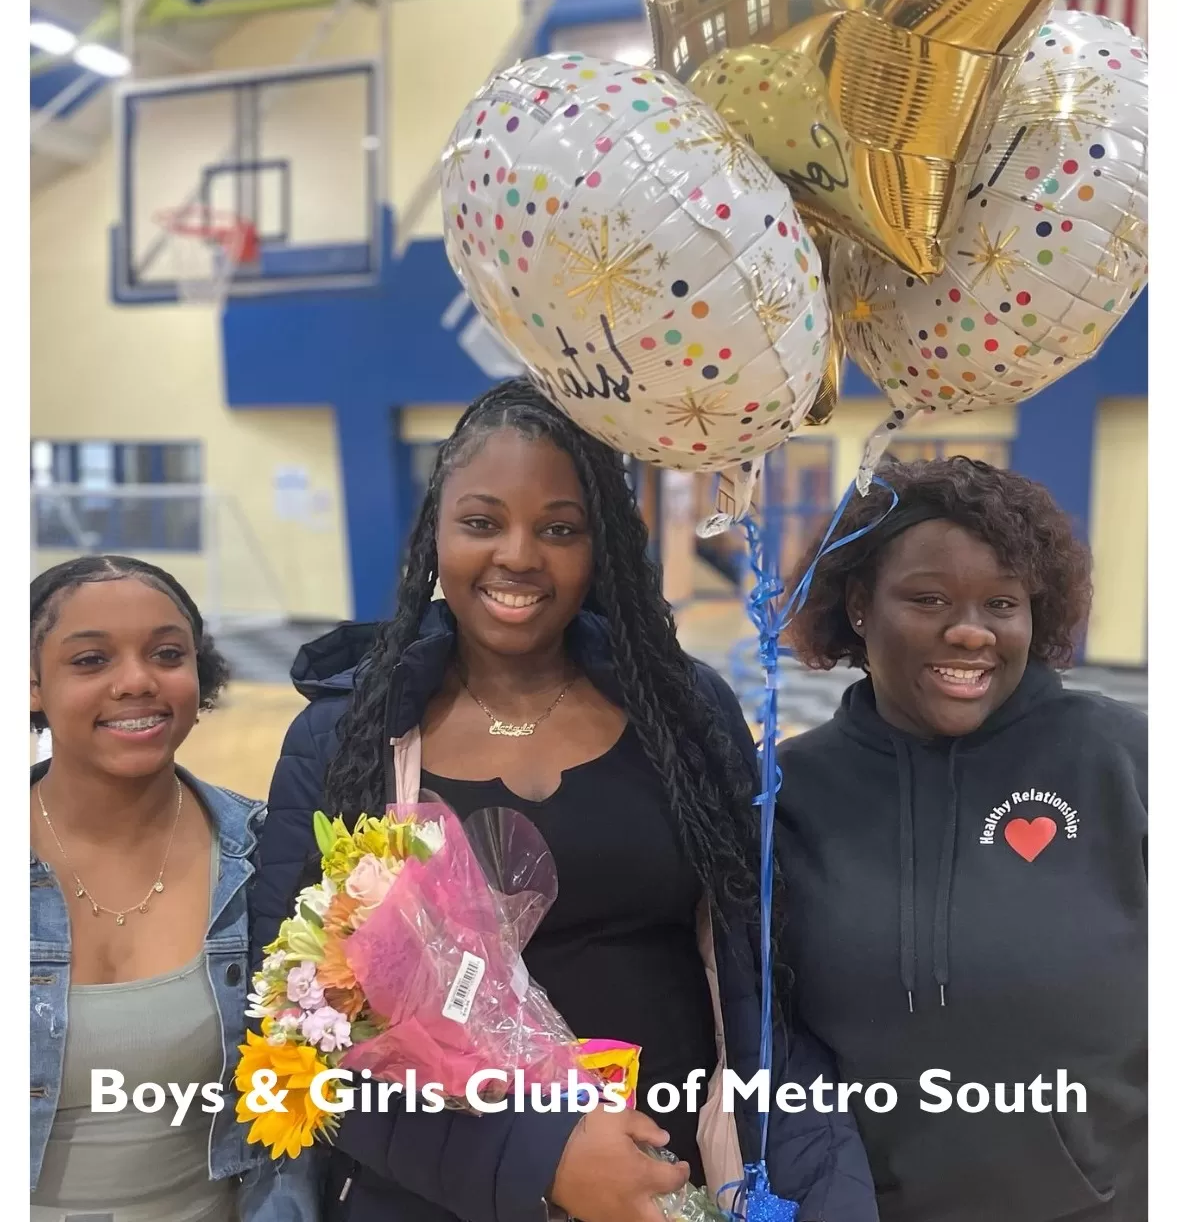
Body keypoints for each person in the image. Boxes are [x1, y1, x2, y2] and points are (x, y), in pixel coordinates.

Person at [252, 379, 878, 1222]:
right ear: (434, 534)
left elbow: (757, 983)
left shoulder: (682, 713)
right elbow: (291, 1045)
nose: (518, 554)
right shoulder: (348, 739)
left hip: (669, 1189)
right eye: (481, 523)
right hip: (430, 1200)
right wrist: (537, 1163)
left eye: (559, 529)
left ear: (604, 546)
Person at [774, 456, 1146, 1222]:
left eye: (1000, 604)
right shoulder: (790, 792)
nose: (969, 631)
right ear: (856, 605)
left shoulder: (1123, 761)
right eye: (928, 598)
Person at [30, 555, 319, 1222]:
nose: (136, 681)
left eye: (165, 653)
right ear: (32, 684)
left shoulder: (273, 857)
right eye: (90, 661)